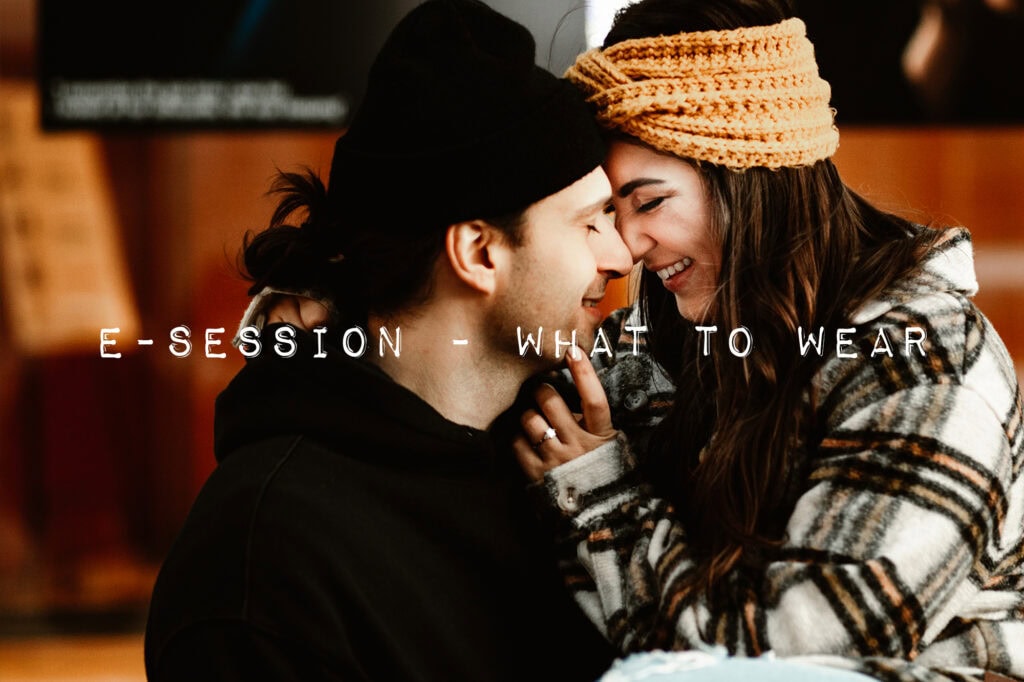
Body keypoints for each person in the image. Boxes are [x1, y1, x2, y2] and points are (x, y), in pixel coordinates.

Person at [512, 1, 1024, 681]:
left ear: (749, 174)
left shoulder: (924, 361)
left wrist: (600, 496)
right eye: (611, 212)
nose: (629, 246)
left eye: (651, 202)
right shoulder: (679, 333)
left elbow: (792, 654)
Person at [143, 0, 634, 679]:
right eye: (590, 223)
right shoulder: (265, 559)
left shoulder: (569, 476)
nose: (621, 254)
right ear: (478, 253)